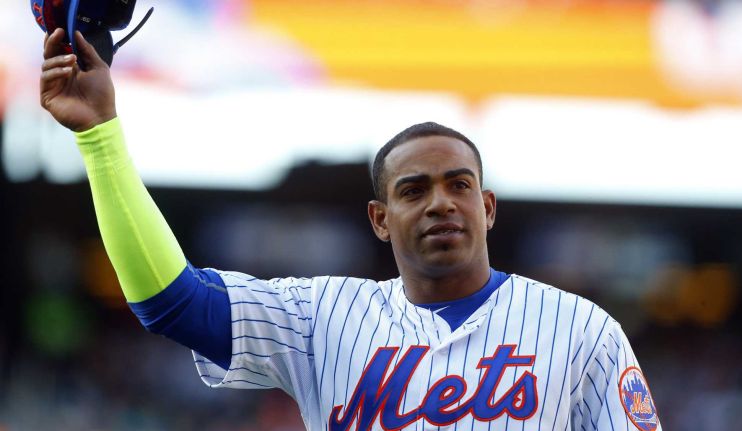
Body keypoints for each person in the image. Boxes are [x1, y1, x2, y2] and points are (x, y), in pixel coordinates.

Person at [40, 28, 662, 431]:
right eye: (413, 190)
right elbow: (169, 301)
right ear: (380, 219)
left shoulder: (581, 330)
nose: (441, 203)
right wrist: (100, 137)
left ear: (488, 206)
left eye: (459, 185)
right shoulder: (322, 317)